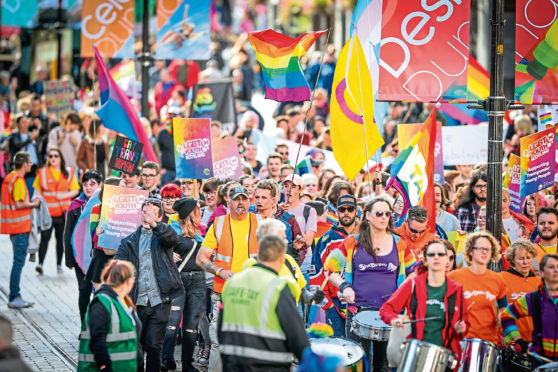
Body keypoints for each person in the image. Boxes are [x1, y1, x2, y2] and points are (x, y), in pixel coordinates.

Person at [328, 198, 416, 371]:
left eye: (388, 214)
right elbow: (329, 271)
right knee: (358, 364)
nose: (384, 217)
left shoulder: (400, 243)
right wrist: (345, 286)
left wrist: (404, 289)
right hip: (357, 312)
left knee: (384, 366)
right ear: (367, 215)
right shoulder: (352, 242)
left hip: (389, 313)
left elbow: (414, 271)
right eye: (379, 213)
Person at [218, 235, 310, 370]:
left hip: (232, 362)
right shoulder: (278, 286)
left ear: (259, 255)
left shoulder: (232, 283)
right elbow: (296, 336)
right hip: (268, 365)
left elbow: (220, 326)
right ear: (282, 259)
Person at [196, 185, 262, 371]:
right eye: (236, 199)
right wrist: (220, 271)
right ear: (228, 201)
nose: (240, 202)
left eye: (244, 198)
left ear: (249, 201)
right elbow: (201, 258)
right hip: (223, 292)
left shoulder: (262, 221)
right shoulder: (219, 223)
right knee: (218, 341)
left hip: (253, 293)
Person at [115, 198, 184, 372]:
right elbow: (119, 267)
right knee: (136, 348)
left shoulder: (163, 235)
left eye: (152, 212)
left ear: (159, 216)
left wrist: (155, 224)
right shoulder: (128, 241)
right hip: (136, 302)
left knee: (154, 347)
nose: (147, 216)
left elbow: (173, 239)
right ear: (140, 214)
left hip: (159, 301)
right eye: (145, 211)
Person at [380, 240, 468, 360]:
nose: (436, 257)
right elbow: (386, 309)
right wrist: (393, 319)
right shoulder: (413, 284)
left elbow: (463, 326)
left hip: (445, 355)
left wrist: (461, 328)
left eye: (441, 254)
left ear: (447, 260)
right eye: (432, 254)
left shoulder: (456, 289)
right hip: (415, 353)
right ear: (425, 260)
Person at [161, 198, 206, 372]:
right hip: (177, 279)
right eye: (198, 209)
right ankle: (167, 359)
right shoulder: (172, 229)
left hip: (197, 280)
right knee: (172, 322)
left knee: (192, 323)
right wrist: (167, 254)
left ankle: (187, 363)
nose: (201, 212)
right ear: (190, 212)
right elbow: (155, 248)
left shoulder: (202, 232)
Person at [77, 260, 141, 372]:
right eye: (133, 279)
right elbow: (98, 341)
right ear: (127, 281)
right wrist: (105, 367)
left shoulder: (123, 302)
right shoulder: (102, 303)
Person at [310, 194, 360, 337]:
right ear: (336, 212)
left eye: (350, 209)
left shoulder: (366, 236)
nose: (346, 213)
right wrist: (328, 305)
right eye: (342, 209)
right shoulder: (326, 239)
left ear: (356, 211)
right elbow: (316, 275)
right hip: (335, 306)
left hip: (361, 305)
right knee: (340, 350)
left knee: (362, 351)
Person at [447, 231, 508, 347]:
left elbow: (503, 306)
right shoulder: (453, 277)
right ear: (470, 251)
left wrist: (501, 316)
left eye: (488, 249)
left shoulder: (497, 279)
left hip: (489, 342)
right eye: (480, 248)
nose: (484, 252)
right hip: (460, 341)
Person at [501, 254, 558, 362]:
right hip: (540, 361)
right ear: (541, 272)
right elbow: (506, 315)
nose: (556, 270)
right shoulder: (533, 298)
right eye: (551, 267)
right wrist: (517, 340)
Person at [1, 152, 40, 308]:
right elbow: (19, 204)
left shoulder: (9, 177)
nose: (31, 165)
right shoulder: (17, 180)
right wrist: (34, 204)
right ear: (24, 164)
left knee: (17, 261)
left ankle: (15, 295)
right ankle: (14, 296)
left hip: (13, 227)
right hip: (19, 228)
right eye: (30, 162)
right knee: (18, 262)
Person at [63, 170, 103, 322]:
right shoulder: (75, 206)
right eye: (85, 184)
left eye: (92, 184)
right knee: (84, 290)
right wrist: (69, 259)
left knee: (99, 292)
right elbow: (68, 234)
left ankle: (97, 326)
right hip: (80, 256)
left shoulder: (105, 204)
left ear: (99, 184)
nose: (88, 188)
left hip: (99, 256)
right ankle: (84, 326)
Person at [34, 147, 80, 274]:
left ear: (60, 158)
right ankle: (40, 263)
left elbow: (75, 190)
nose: (53, 158)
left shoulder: (69, 172)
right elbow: (37, 190)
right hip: (47, 213)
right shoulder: (42, 172)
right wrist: (37, 200)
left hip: (62, 213)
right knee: (44, 238)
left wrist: (63, 196)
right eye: (51, 156)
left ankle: (59, 264)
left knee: (60, 240)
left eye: (56, 156)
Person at [498, 239, 541, 343]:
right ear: (512, 259)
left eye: (528, 258)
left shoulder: (539, 282)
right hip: (510, 341)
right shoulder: (501, 278)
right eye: (521, 259)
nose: (525, 262)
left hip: (535, 342)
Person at [254, 179, 305, 264]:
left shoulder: (284, 226)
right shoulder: (248, 221)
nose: (259, 201)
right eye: (257, 197)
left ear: (273, 200)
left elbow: (290, 257)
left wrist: (294, 248)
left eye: (264, 197)